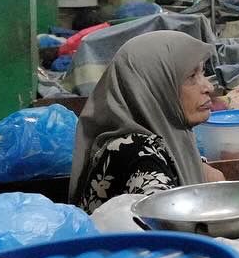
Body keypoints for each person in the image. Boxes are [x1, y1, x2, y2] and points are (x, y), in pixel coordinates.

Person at [69, 31, 225, 212]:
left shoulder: (166, 137)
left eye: (203, 73)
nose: (209, 87)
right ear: (156, 88)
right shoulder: (136, 152)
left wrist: (200, 166)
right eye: (191, 76)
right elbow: (164, 227)